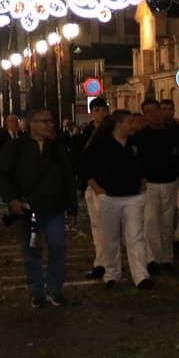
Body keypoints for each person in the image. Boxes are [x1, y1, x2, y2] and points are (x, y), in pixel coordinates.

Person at [0, 107, 78, 306]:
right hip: (28, 210)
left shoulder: (56, 149)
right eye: (45, 121)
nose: (50, 125)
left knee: (58, 248)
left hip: (55, 208)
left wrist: (72, 209)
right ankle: (37, 292)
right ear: (32, 124)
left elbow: (67, 179)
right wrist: (12, 199)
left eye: (51, 121)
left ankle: (54, 289)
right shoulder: (16, 147)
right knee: (32, 252)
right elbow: (1, 174)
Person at [80, 109, 153, 289]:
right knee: (110, 237)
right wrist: (97, 189)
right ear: (119, 124)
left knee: (135, 236)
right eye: (130, 122)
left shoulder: (135, 143)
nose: (133, 125)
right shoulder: (101, 143)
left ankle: (141, 275)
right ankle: (112, 273)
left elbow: (143, 164)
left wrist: (143, 181)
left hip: (133, 196)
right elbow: (86, 167)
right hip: (110, 196)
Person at [133, 97, 179, 273]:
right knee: (150, 221)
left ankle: (166, 257)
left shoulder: (173, 133)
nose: (152, 115)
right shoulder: (141, 136)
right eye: (147, 112)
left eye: (155, 111)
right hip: (150, 183)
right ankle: (152, 258)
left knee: (167, 221)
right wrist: (141, 178)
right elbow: (138, 160)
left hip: (170, 181)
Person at [72, 98, 111, 278]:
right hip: (90, 184)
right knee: (96, 225)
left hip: (109, 185)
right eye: (97, 110)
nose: (100, 113)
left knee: (109, 226)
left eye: (103, 110)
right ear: (91, 112)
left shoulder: (113, 132)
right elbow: (80, 160)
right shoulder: (85, 134)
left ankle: (109, 262)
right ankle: (101, 262)